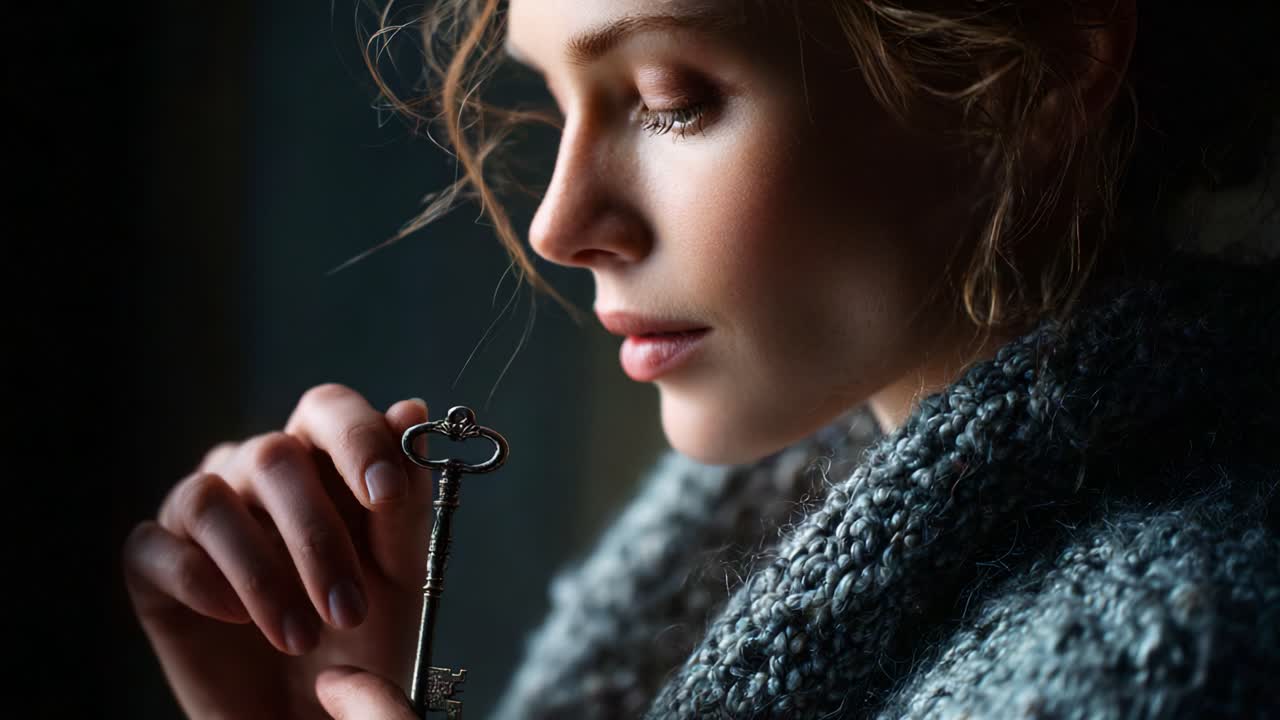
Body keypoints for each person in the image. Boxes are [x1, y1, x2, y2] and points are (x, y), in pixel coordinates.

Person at [122, 0, 1280, 717]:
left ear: (1038, 75)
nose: (560, 222)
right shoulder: (738, 544)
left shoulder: (1169, 659)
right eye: (554, 102)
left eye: (671, 99)